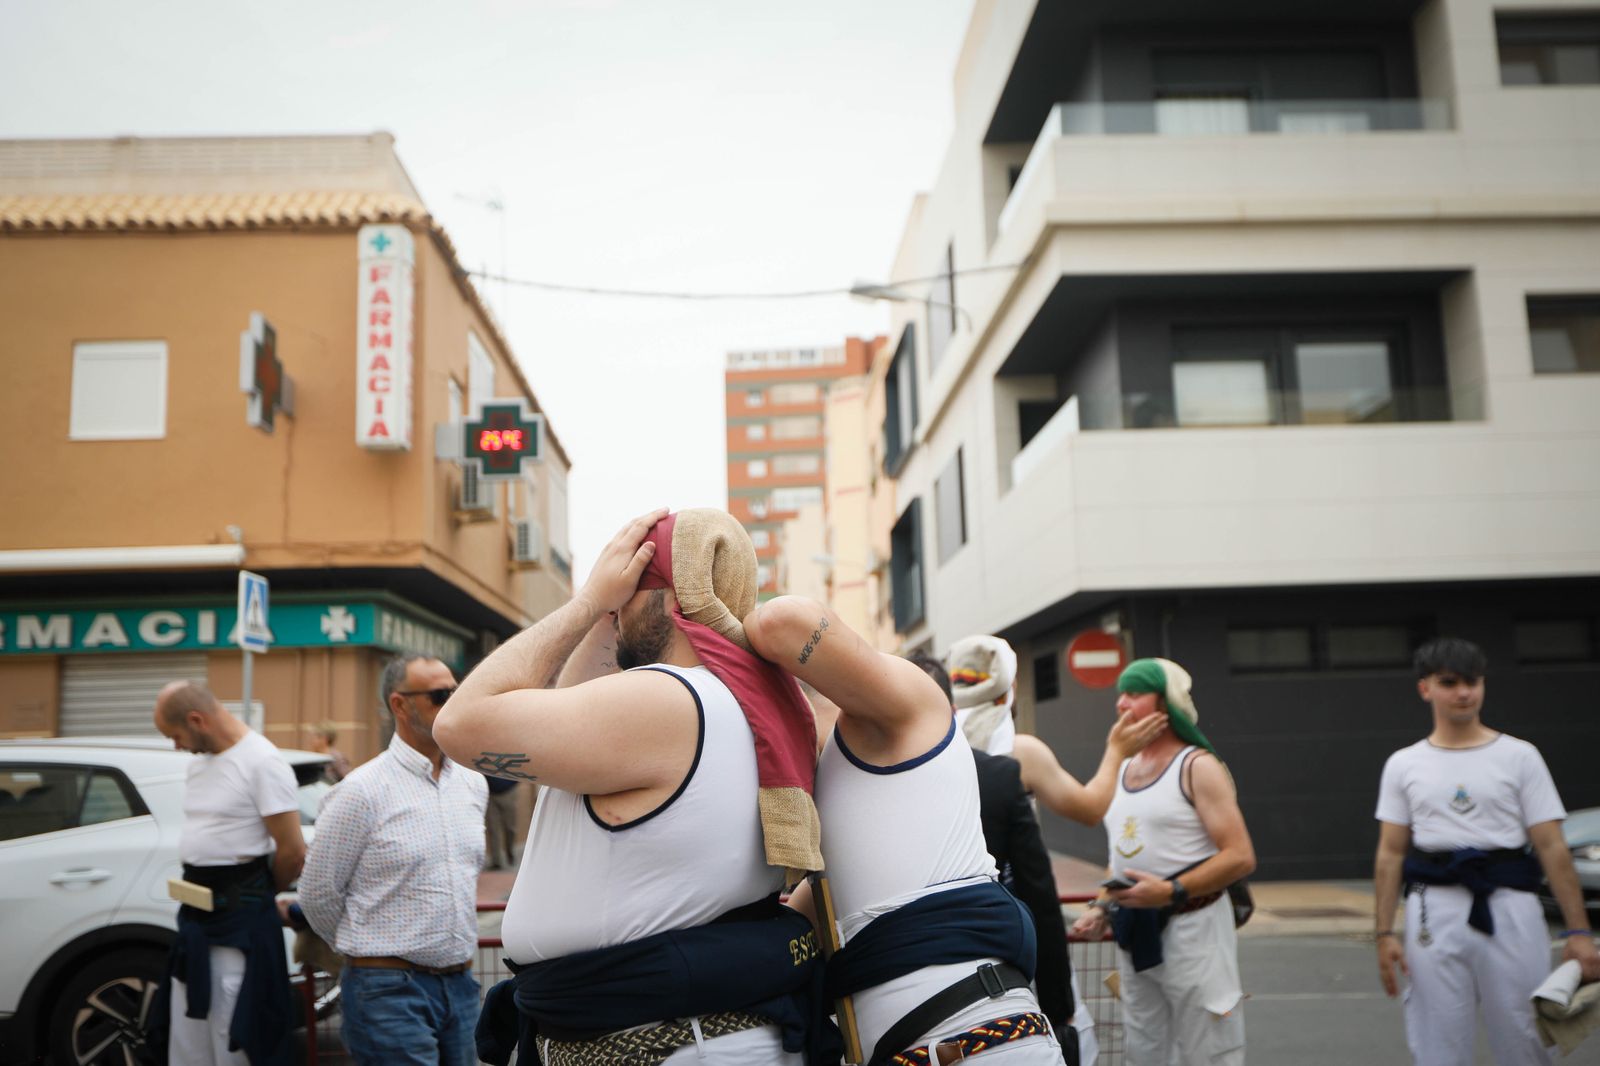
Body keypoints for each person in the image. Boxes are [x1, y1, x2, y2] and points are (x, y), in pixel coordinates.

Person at [436, 509, 826, 1066]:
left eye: (631, 585)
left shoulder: (669, 697)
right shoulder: (741, 704)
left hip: (663, 1043)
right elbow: (560, 713)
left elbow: (459, 725)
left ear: (675, 596)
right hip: (676, 1036)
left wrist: (588, 601)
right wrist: (609, 615)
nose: (618, 600)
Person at [746, 596, 1066, 1066]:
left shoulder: (911, 705)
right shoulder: (833, 799)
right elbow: (805, 928)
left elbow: (780, 621)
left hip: (978, 1045)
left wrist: (712, 625)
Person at [1373, 636, 1599, 1066]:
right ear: (1425, 688)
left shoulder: (1520, 757)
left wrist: (1579, 933)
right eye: (1449, 682)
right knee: (1436, 1037)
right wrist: (1384, 934)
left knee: (1525, 1034)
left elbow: (1551, 846)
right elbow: (1390, 853)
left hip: (1510, 904)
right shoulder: (1404, 764)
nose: (1463, 692)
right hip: (1433, 909)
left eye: (1472, 682)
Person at [296, 653, 487, 1066]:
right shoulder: (360, 791)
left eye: (457, 692)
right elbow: (317, 894)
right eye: (440, 695)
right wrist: (368, 952)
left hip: (461, 986)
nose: (453, 702)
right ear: (399, 704)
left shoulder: (472, 784)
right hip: (385, 990)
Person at [1069, 658, 1256, 1066]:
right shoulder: (1120, 769)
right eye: (1121, 693)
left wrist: (1172, 890)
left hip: (1195, 931)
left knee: (1209, 1051)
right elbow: (1121, 857)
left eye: (1135, 693)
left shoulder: (1197, 766)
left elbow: (1240, 856)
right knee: (1144, 1051)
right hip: (1136, 935)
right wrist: (1102, 906)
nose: (1121, 703)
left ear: (1166, 703)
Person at [151, 681, 305, 1066]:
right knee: (188, 1041)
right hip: (194, 923)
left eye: (175, 736)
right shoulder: (199, 764)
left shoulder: (261, 761)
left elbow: (291, 850)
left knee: (234, 1038)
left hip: (239, 926)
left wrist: (260, 895)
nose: (176, 746)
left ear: (196, 720)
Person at [948, 634, 1147, 827]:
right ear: (1007, 684)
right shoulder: (1022, 752)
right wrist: (1117, 750)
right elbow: (1091, 810)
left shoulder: (941, 741)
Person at [483, 772, 520, 870]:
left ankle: (510, 854)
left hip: (508, 792)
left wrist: (511, 784)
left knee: (510, 827)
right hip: (491, 794)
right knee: (493, 829)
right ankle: (496, 862)